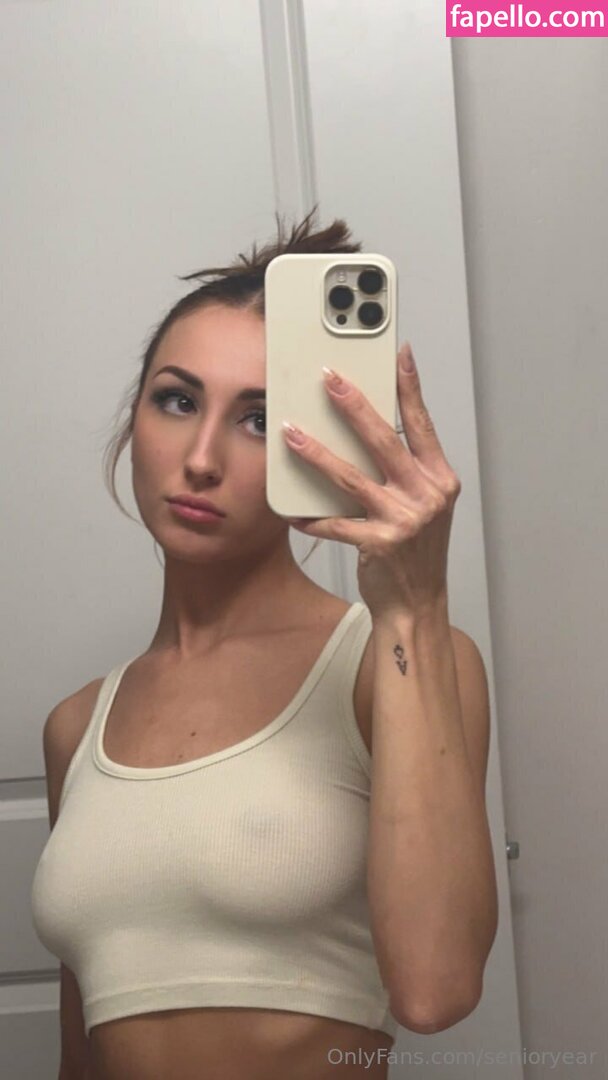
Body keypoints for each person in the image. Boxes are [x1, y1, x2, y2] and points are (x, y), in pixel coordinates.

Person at [32, 206, 401, 1079]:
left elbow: (436, 992)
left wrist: (415, 603)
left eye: (260, 419)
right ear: (134, 420)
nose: (200, 458)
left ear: (317, 448)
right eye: (177, 400)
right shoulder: (76, 728)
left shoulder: (387, 661)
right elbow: (78, 1055)